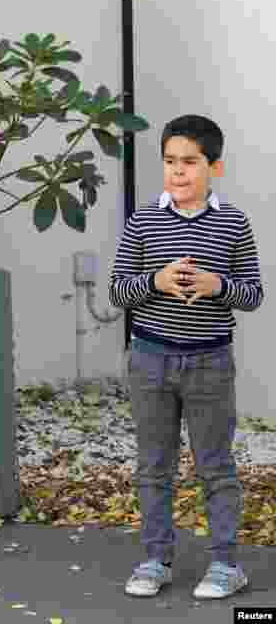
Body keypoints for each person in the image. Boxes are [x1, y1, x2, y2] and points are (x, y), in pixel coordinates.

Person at [108, 115, 264, 601]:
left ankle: (225, 564)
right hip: (150, 360)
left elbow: (253, 294)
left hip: (210, 364)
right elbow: (118, 291)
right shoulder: (144, 221)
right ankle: (155, 558)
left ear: (213, 167)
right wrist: (155, 281)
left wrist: (217, 286)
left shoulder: (234, 223)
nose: (178, 172)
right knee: (154, 465)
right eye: (170, 162)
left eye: (190, 162)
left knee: (215, 465)